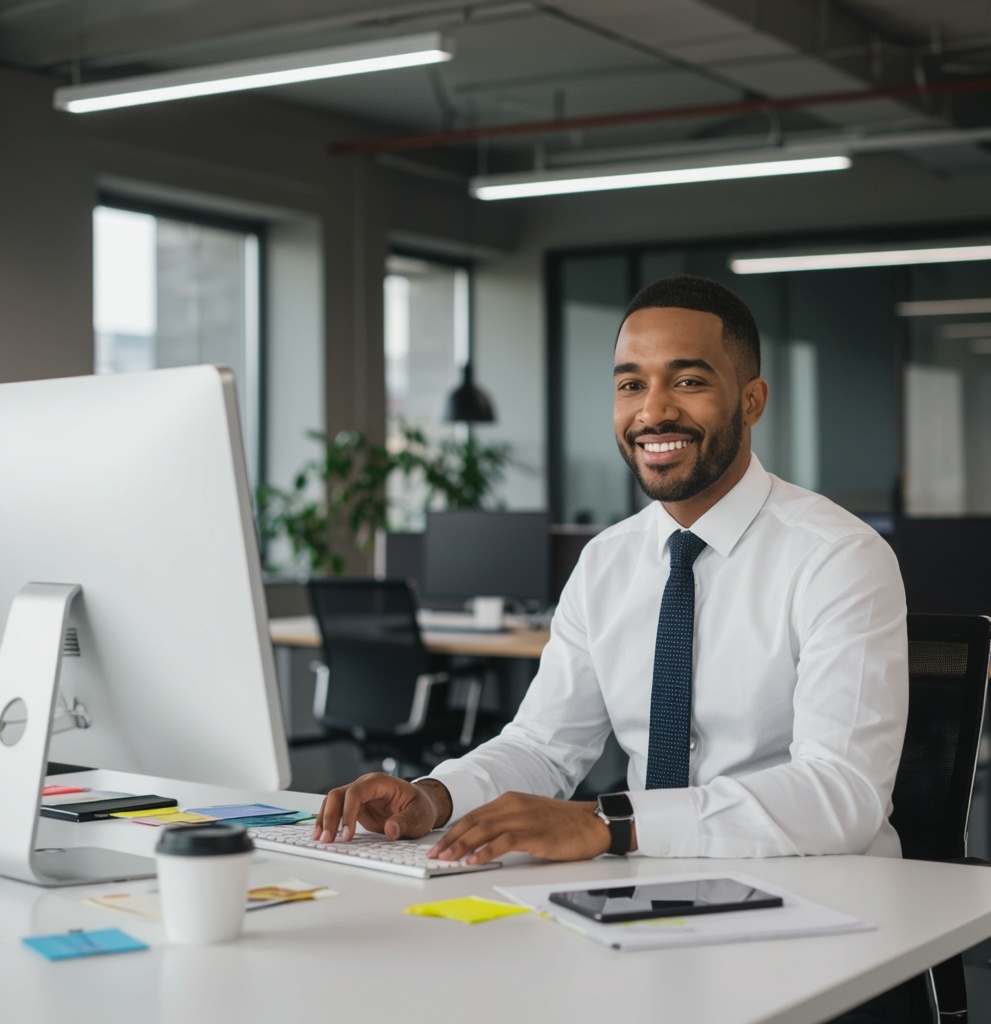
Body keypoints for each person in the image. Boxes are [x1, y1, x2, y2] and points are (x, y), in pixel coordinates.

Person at [314, 273, 908, 872]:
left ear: (751, 399)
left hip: (814, 890)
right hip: (653, 884)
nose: (653, 411)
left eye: (689, 381)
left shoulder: (837, 557)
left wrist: (611, 824)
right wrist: (434, 798)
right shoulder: (606, 561)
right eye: (631, 384)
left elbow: (844, 793)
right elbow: (544, 747)